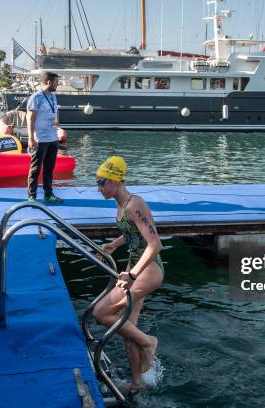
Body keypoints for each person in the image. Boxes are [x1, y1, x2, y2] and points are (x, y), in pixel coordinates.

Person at [92, 156, 164, 391]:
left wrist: (132, 275)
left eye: (101, 182)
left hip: (148, 270)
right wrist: (114, 244)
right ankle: (137, 383)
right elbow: (133, 232)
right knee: (126, 330)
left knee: (101, 312)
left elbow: (154, 244)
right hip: (134, 266)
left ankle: (148, 342)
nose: (99, 188)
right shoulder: (121, 204)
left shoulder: (135, 204)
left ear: (115, 180)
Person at [26, 72, 66, 203]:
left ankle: (48, 194)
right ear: (49, 82)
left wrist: (57, 125)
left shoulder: (53, 97)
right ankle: (32, 196)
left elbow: (56, 112)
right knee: (36, 168)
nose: (57, 84)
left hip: (52, 138)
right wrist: (31, 138)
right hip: (40, 139)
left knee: (49, 169)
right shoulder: (36, 97)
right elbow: (30, 119)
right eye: (56, 82)